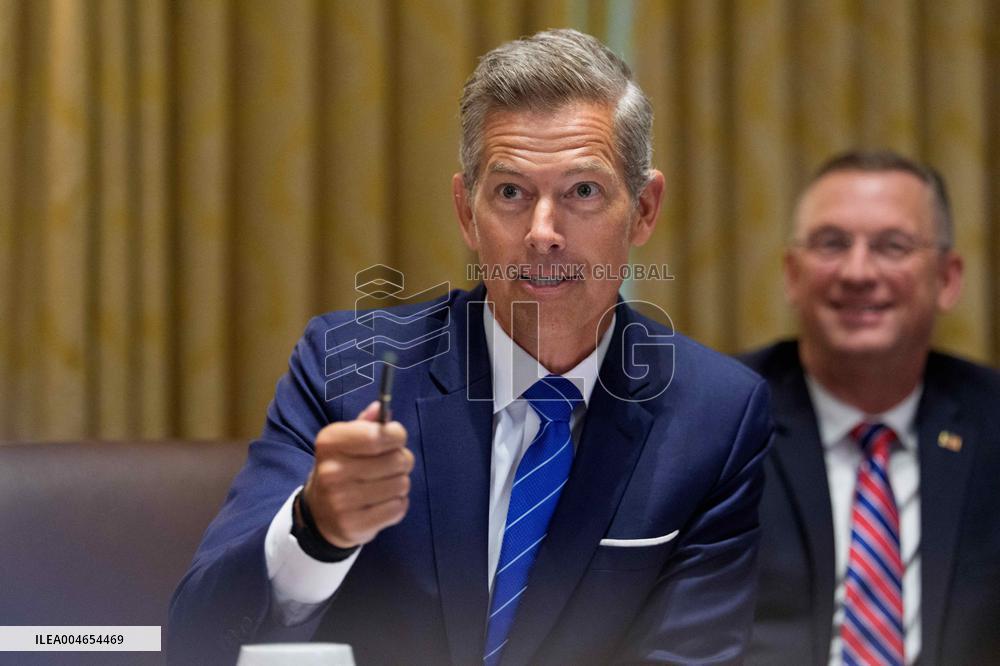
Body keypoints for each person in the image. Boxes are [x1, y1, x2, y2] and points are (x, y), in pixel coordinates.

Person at [169, 29, 772, 665]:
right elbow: (198, 638)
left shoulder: (716, 416)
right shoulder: (347, 367)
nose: (544, 233)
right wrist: (316, 532)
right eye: (511, 193)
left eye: (583, 192)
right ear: (466, 212)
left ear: (644, 208)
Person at [741, 150, 1000, 665]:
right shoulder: (719, 422)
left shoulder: (992, 423)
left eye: (892, 246)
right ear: (792, 274)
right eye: (832, 244)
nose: (858, 272)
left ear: (947, 278)